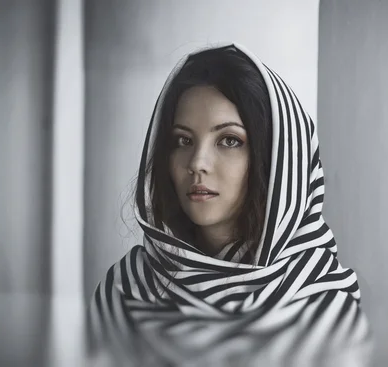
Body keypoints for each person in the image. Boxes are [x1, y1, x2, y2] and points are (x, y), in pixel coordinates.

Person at [87, 43, 373, 366]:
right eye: (183, 140)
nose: (197, 162)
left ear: (277, 161)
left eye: (229, 141)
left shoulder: (323, 309)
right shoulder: (126, 290)